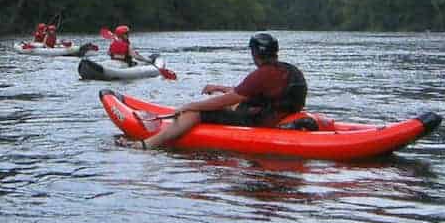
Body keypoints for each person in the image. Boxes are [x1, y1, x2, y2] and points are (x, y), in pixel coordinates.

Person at [122, 32, 307, 150]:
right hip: (280, 114)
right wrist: (219, 88)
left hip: (263, 121)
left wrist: (189, 106)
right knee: (222, 99)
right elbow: (244, 93)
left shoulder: (262, 74)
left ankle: (148, 144)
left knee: (197, 112)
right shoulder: (286, 69)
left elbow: (231, 98)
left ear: (256, 53)